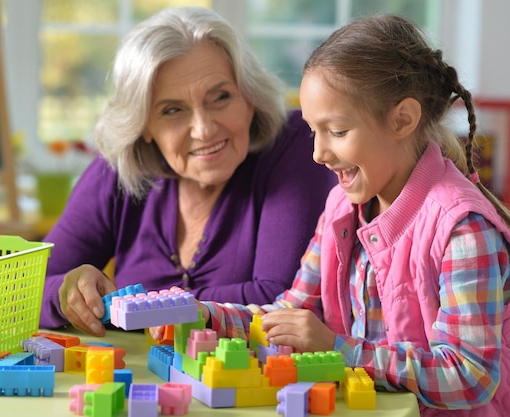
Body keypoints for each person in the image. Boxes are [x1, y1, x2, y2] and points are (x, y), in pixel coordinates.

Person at [152, 14, 510, 416]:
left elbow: (470, 376)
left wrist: (337, 348)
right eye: (312, 131)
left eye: (337, 131)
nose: (318, 154)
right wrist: (204, 315)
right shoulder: (342, 207)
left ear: (402, 119)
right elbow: (292, 315)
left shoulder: (462, 229)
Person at [39, 7, 336, 336]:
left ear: (249, 97)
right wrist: (66, 293)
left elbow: (278, 300)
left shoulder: (293, 144)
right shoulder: (119, 169)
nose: (204, 129)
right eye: (173, 110)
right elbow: (24, 291)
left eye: (220, 97)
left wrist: (136, 307)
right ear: (144, 125)